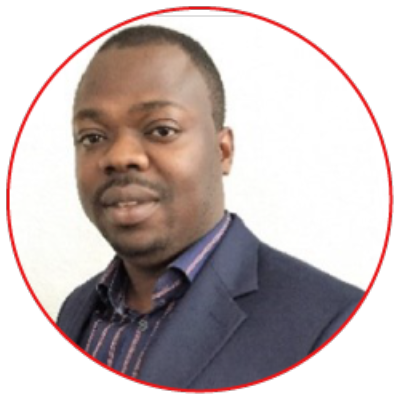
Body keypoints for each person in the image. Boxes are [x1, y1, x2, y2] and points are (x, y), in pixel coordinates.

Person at [57, 24, 364, 389]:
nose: (120, 156)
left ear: (223, 152)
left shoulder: (330, 320)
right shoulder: (76, 309)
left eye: (161, 130)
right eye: (92, 136)